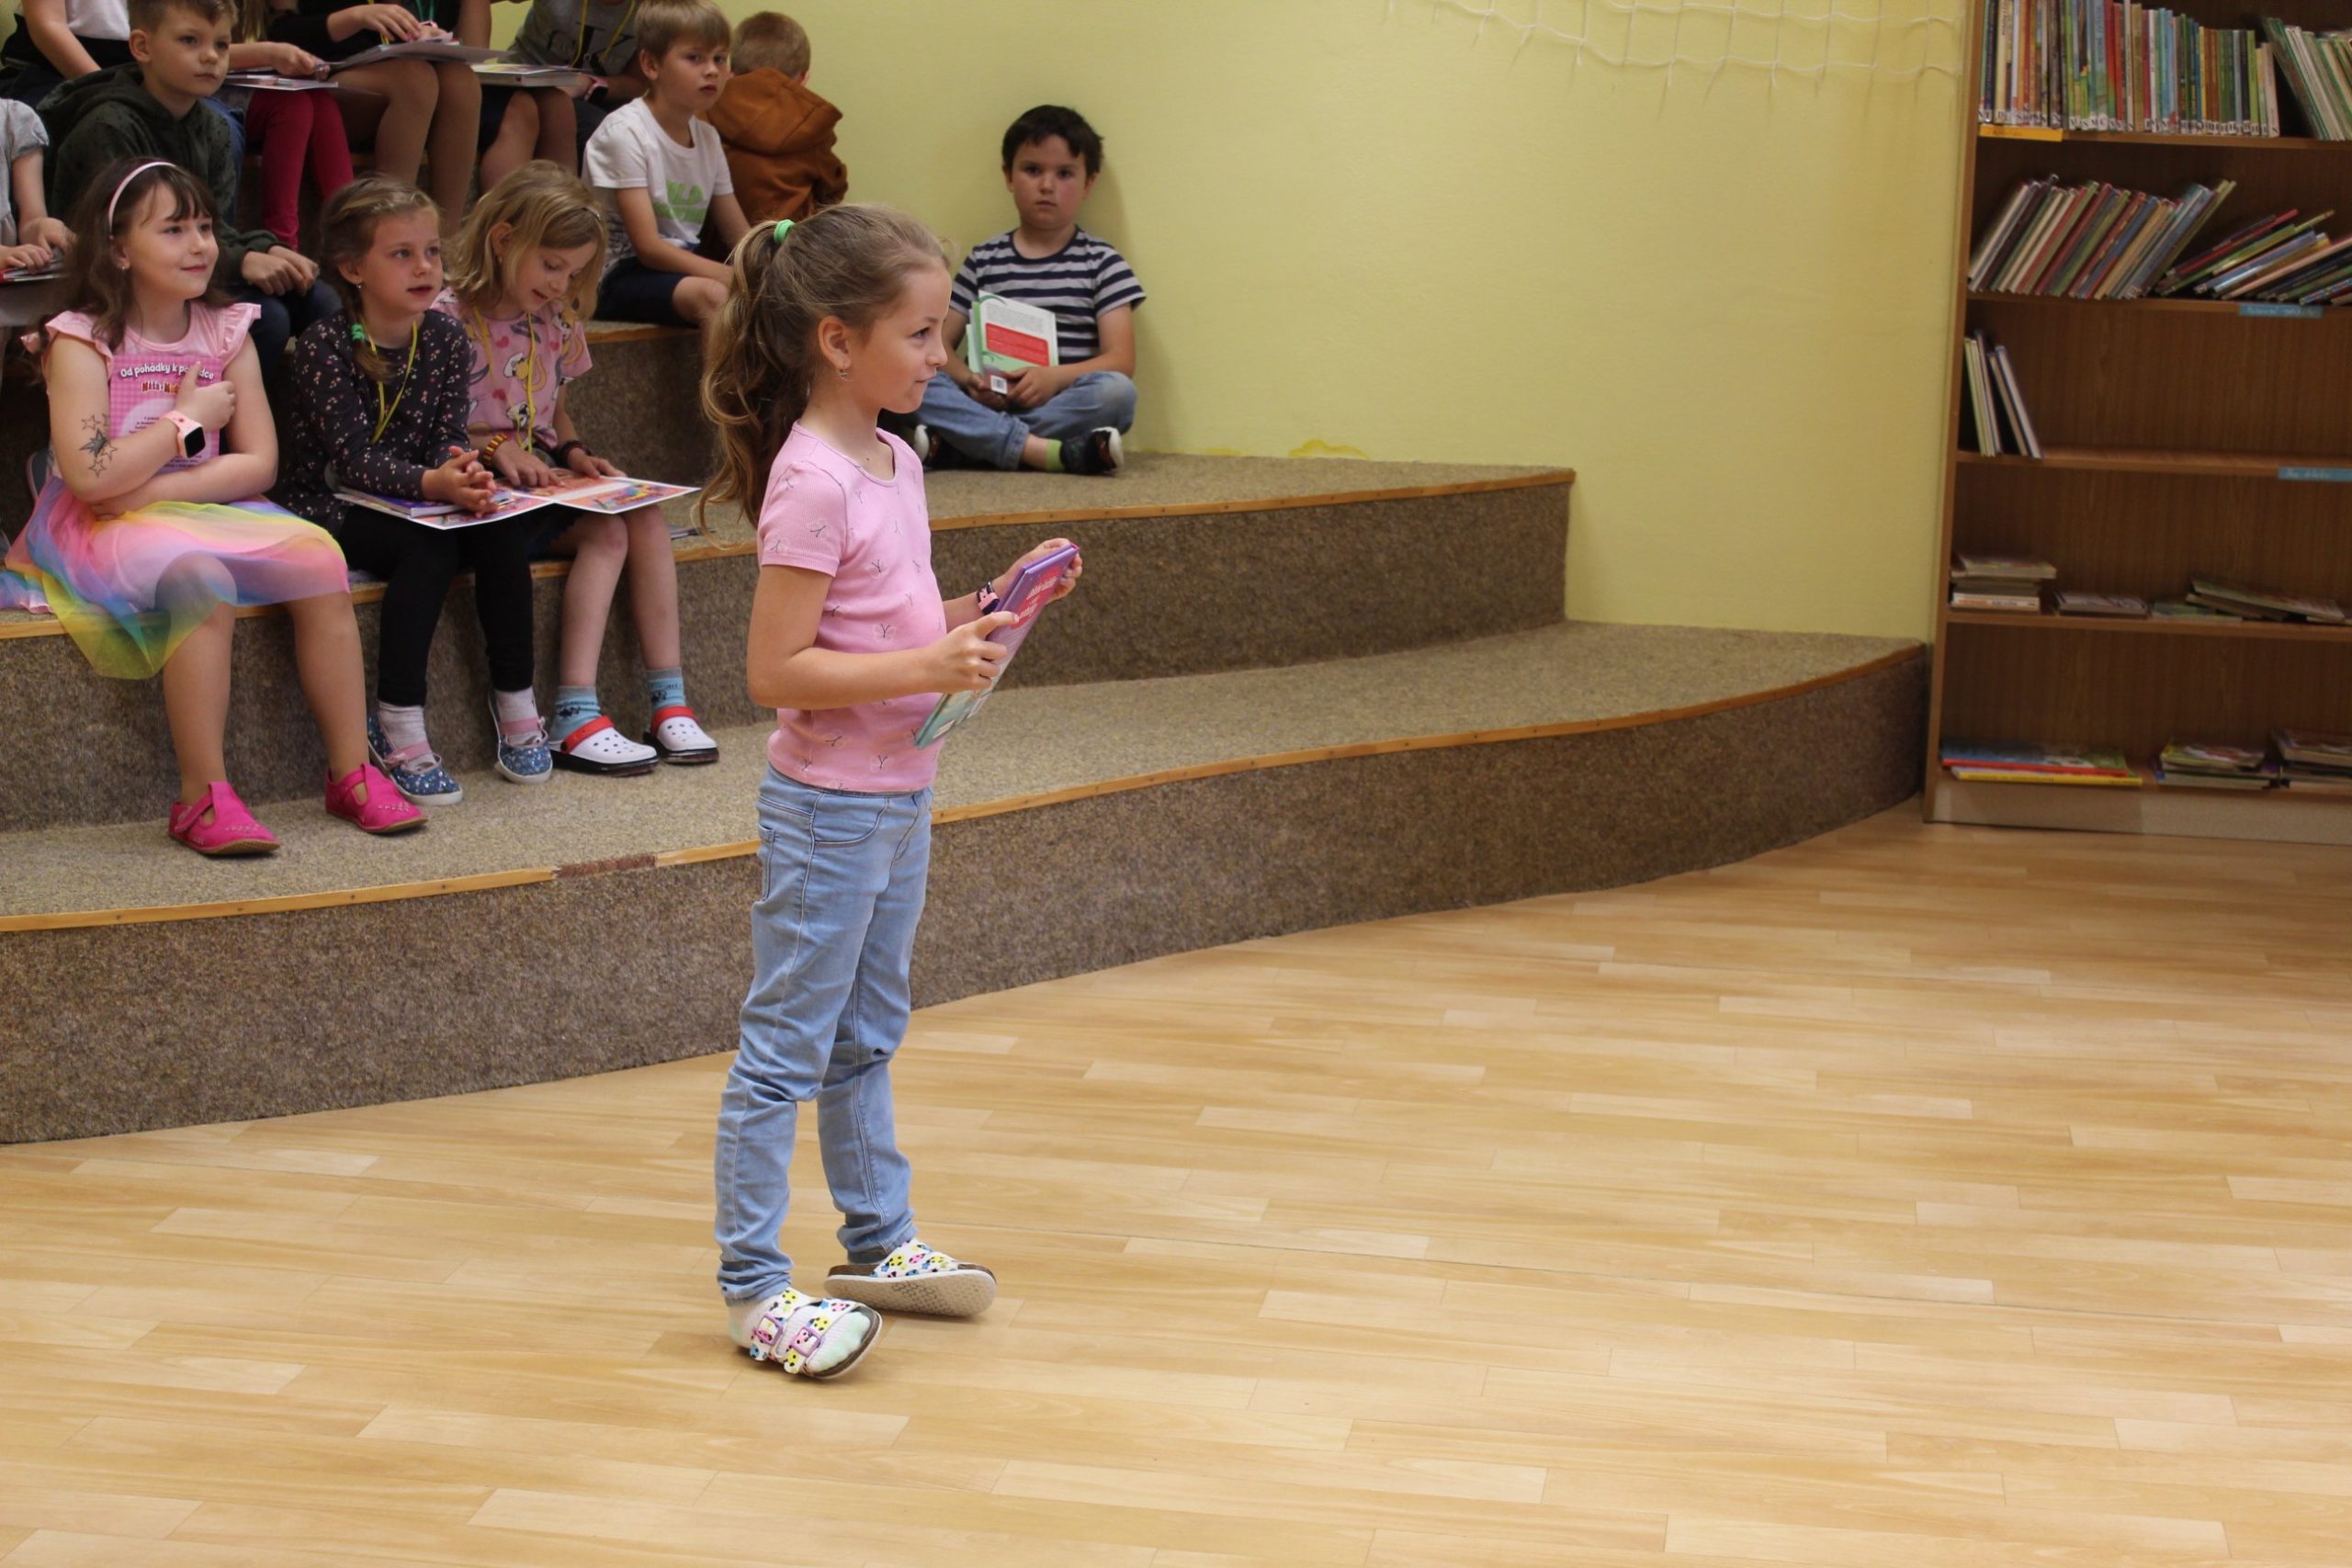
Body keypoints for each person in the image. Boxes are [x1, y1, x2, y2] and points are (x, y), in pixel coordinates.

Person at [700, 205, 1084, 1377]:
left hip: (901, 792)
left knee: (866, 1036)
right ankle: (752, 1290)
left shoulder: (897, 459)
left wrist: (985, 608)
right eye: (919, 335)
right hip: (829, 811)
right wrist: (926, 664)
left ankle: (876, 1242)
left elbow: (891, 620)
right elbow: (776, 671)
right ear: (836, 340)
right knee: (785, 1049)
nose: (939, 358)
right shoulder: (811, 482)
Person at [5, 157, 421, 850]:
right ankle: (202, 794)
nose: (199, 245)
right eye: (173, 230)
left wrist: (146, 487)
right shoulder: (81, 339)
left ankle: (351, 771)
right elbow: (89, 476)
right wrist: (185, 421)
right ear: (118, 249)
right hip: (100, 528)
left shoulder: (226, 330)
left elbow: (258, 463)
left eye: (203, 227)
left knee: (319, 557)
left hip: (172, 502)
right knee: (201, 577)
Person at [273, 175, 551, 803]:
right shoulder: (323, 346)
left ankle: (516, 698)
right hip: (329, 502)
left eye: (431, 251)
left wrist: (464, 470)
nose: (425, 267)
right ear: (353, 269)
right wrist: (435, 482)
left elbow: (446, 433)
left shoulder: (446, 337)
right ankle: (397, 716)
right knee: (428, 548)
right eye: (402, 254)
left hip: (415, 494)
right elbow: (351, 461)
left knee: (500, 527)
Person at [437, 160, 715, 773]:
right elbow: (427, 426)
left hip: (535, 485)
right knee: (608, 534)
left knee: (641, 517)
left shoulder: (556, 317)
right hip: (472, 493)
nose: (561, 283)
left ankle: (669, 701)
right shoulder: (444, 315)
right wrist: (494, 448)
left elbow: (554, 413)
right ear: (503, 240)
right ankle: (575, 711)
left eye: (574, 271)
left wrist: (575, 453)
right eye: (551, 265)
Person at [39, 0, 337, 381]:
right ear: (142, 47)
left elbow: (215, 227)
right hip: (122, 290)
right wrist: (240, 263)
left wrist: (266, 247)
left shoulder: (214, 127)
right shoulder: (108, 127)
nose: (211, 57)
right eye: (190, 40)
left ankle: (327, 417)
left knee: (320, 299)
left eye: (221, 44)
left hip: (188, 271)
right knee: (267, 320)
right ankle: (212, 418)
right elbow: (125, 246)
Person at [916, 104, 1141, 477]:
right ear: (1008, 175)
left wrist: (1053, 378)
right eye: (1033, 170)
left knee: (1118, 393)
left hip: (1059, 403)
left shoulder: (1102, 262)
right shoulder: (984, 259)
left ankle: (966, 447)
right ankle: (1049, 452)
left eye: (1065, 173)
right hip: (985, 400)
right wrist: (971, 380)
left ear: (1088, 183)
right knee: (915, 375)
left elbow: (1121, 360)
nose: (1047, 186)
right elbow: (936, 345)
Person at [582, 0, 742, 329]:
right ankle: (723, 369)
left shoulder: (708, 138)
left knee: (777, 295)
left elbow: (738, 233)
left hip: (673, 267)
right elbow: (649, 248)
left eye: (720, 58)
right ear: (651, 65)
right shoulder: (625, 133)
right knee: (717, 296)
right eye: (695, 58)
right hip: (613, 274)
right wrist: (735, 276)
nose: (712, 70)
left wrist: (773, 263)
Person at [264, 0, 479, 232]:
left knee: (461, 82)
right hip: (323, 77)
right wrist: (355, 17)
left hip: (400, 71)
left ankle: (447, 239)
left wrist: (424, 33)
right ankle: (392, 231)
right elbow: (281, 34)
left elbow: (475, 48)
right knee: (414, 81)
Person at [224, 0, 354, 251]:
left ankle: (354, 233)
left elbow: (284, 28)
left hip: (249, 82)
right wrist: (269, 54)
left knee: (322, 103)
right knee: (292, 107)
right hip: (202, 90)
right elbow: (200, 52)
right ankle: (283, 244)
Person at [707, 10, 842, 227]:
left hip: (713, 243)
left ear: (731, 73)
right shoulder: (814, 128)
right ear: (804, 78)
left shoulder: (703, 111)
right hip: (783, 242)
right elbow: (833, 190)